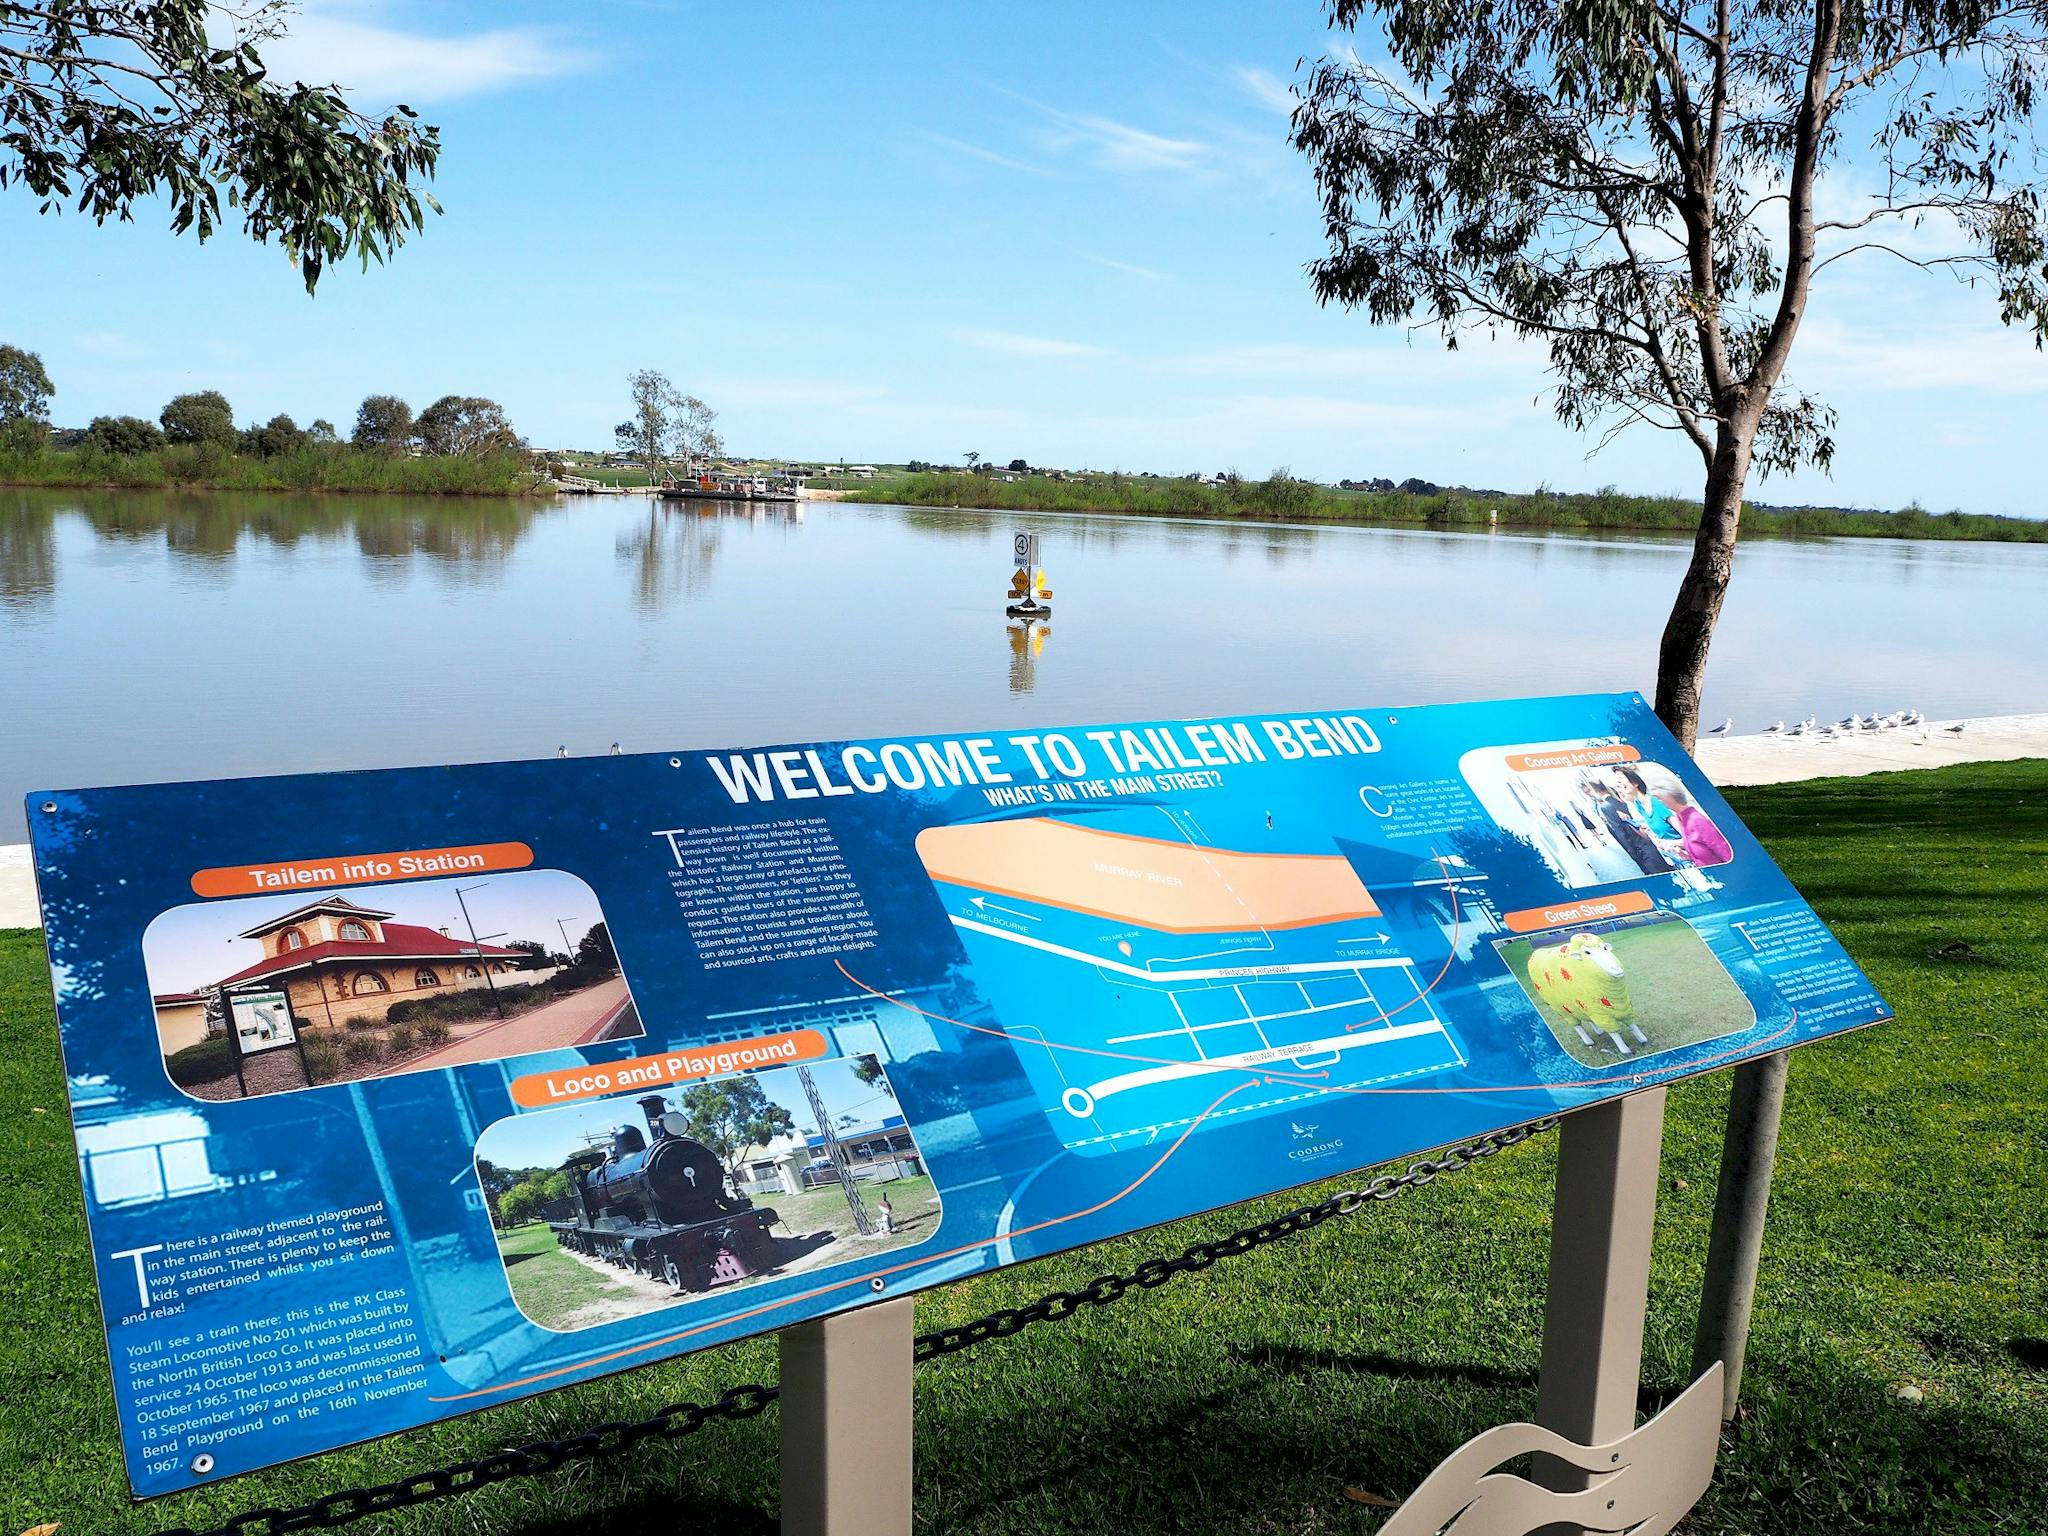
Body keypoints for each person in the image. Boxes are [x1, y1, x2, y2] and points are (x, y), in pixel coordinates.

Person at [1588, 782, 1672, 875]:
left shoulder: (1607, 806)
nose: (1621, 793)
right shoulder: (1623, 803)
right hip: (1650, 843)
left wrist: (1631, 852)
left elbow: (1620, 832)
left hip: (1641, 846)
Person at [1663, 786, 1733, 867]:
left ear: (1671, 797)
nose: (1658, 800)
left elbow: (1726, 854)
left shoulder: (1697, 821)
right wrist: (1688, 856)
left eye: (1659, 797)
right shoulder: (1681, 818)